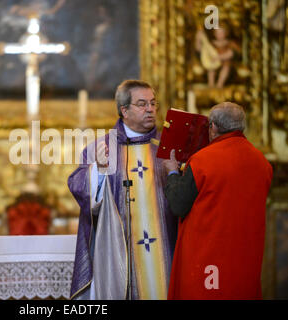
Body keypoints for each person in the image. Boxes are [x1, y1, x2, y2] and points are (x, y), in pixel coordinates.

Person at [68, 80, 178, 300]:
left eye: (153, 103)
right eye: (142, 104)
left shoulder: (170, 147)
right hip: (118, 254)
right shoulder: (101, 148)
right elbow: (80, 190)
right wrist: (98, 171)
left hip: (165, 251)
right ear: (124, 110)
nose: (150, 109)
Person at [162, 102, 273, 299]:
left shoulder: (202, 160)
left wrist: (172, 171)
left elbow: (179, 205)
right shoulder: (262, 162)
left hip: (208, 259)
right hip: (244, 258)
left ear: (212, 127)